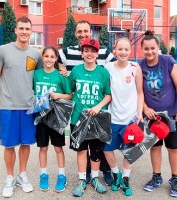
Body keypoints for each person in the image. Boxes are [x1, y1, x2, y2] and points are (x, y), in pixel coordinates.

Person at [0, 16, 42, 198]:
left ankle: (22, 175)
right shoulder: (3, 50)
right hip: (8, 106)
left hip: (28, 107)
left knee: (26, 143)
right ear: (16, 30)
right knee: (9, 144)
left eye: (27, 29)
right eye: (21, 28)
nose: (24, 32)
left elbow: (43, 77)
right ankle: (10, 177)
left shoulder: (36, 54)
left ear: (31, 31)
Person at [58, 20, 116, 185]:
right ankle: (85, 176)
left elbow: (115, 72)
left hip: (99, 113)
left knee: (99, 148)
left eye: (85, 31)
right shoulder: (72, 60)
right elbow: (50, 58)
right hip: (79, 115)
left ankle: (104, 172)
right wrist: (59, 72)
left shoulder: (104, 57)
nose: (82, 34)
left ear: (91, 31)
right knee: (82, 149)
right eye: (79, 32)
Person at [138, 30, 177, 197]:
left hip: (172, 114)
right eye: (146, 49)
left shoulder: (168, 61)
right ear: (142, 49)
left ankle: (175, 178)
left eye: (153, 48)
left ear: (158, 47)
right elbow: (138, 92)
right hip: (153, 117)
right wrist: (144, 108)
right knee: (155, 147)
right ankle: (156, 176)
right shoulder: (139, 66)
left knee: (173, 148)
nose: (150, 51)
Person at [69, 38, 112, 197]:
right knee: (81, 150)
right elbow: (69, 92)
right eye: (86, 50)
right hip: (78, 119)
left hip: (98, 119)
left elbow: (108, 95)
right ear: (82, 53)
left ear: (97, 54)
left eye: (93, 51)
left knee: (96, 151)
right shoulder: (76, 71)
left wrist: (98, 106)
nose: (89, 53)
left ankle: (94, 178)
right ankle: (81, 180)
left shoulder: (103, 72)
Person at [103, 37, 144, 196]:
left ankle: (125, 179)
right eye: (120, 49)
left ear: (130, 51)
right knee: (107, 149)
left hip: (130, 120)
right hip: (112, 118)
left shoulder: (135, 68)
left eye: (126, 49)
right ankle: (116, 174)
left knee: (129, 152)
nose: (123, 52)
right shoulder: (107, 68)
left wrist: (139, 112)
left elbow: (140, 93)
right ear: (115, 50)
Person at [33, 46, 72, 193]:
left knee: (58, 147)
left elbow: (69, 95)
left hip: (56, 118)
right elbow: (31, 93)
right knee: (43, 147)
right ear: (42, 57)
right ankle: (44, 175)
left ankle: (62, 176)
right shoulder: (36, 75)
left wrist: (58, 95)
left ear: (56, 59)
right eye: (46, 56)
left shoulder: (60, 76)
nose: (49, 59)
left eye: (52, 57)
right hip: (41, 117)